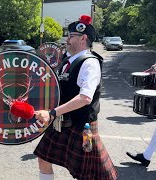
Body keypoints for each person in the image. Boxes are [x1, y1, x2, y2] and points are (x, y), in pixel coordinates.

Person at [33, 15, 117, 180]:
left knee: (88, 174)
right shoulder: (66, 61)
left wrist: (52, 112)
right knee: (43, 157)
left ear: (83, 38)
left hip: (81, 124)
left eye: (71, 36)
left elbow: (85, 98)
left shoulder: (90, 63)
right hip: (61, 122)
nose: (67, 40)